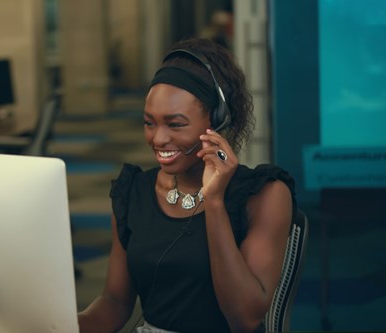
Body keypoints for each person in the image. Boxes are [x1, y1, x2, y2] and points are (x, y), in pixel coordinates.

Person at [78, 37, 297, 333]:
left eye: (175, 124)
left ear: (217, 122)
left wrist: (215, 201)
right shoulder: (134, 192)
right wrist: (64, 325)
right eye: (149, 122)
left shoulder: (265, 194)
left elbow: (244, 318)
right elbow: (115, 302)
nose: (158, 139)